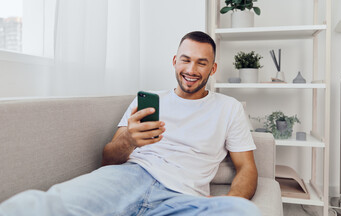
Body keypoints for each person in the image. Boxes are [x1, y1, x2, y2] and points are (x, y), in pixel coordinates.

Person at [0, 31, 261, 216]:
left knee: (243, 211)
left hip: (183, 196)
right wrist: (128, 140)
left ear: (213, 69)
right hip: (127, 178)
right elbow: (108, 158)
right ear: (174, 61)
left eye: (201, 63)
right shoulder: (148, 100)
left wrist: (230, 199)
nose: (191, 69)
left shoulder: (229, 108)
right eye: (186, 59)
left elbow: (246, 167)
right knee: (38, 206)